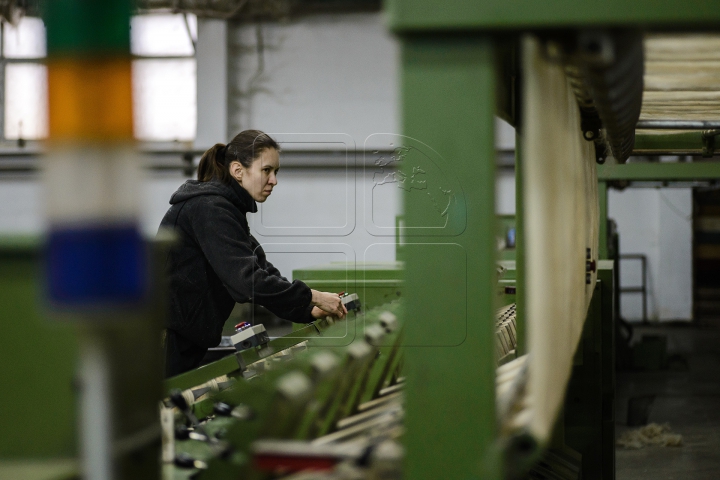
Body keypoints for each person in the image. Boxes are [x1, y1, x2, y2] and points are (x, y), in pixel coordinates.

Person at [159, 130, 347, 377]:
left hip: (182, 336)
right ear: (238, 171)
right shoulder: (209, 209)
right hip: (164, 339)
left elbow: (261, 270)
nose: (274, 181)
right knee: (155, 413)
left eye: (276, 172)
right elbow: (246, 282)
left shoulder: (226, 210)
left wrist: (307, 310)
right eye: (266, 170)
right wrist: (314, 296)